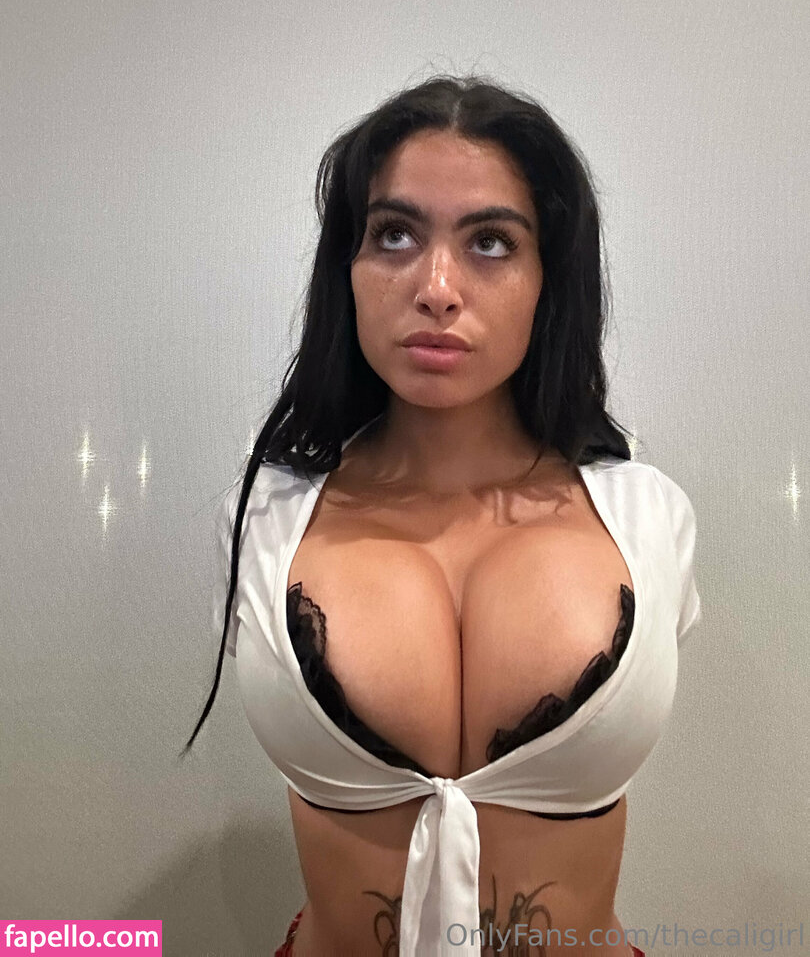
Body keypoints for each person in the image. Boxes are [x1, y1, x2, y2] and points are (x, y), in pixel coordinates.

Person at [182, 75, 702, 957]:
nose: (437, 287)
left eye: (491, 242)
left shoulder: (648, 518)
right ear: (347, 268)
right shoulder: (265, 516)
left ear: (548, 279)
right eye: (394, 234)